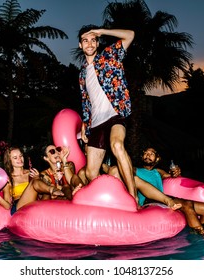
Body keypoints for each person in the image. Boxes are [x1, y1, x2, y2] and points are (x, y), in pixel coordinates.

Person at [78, 25, 137, 202]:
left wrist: (102, 31)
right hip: (95, 123)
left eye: (93, 39)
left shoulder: (109, 56)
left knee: (117, 146)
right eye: (85, 40)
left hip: (115, 115)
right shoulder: (82, 74)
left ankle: (133, 198)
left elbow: (130, 33)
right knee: (90, 173)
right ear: (80, 45)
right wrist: (84, 125)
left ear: (97, 42)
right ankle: (107, 200)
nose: (89, 43)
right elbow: (86, 101)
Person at [134, 147, 204, 236]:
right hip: (148, 200)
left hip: (163, 198)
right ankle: (201, 233)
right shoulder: (135, 170)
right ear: (142, 157)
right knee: (187, 204)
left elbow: (171, 175)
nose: (148, 155)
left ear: (157, 159)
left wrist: (176, 172)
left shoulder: (158, 171)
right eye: (146, 153)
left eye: (152, 153)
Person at [0, 146, 64, 214]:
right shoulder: (8, 179)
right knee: (34, 182)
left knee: (39, 182)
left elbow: (40, 194)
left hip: (35, 203)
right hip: (20, 207)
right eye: (15, 158)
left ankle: (55, 195)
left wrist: (39, 178)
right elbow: (8, 206)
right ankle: (52, 190)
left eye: (21, 156)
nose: (20, 159)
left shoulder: (32, 172)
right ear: (10, 161)